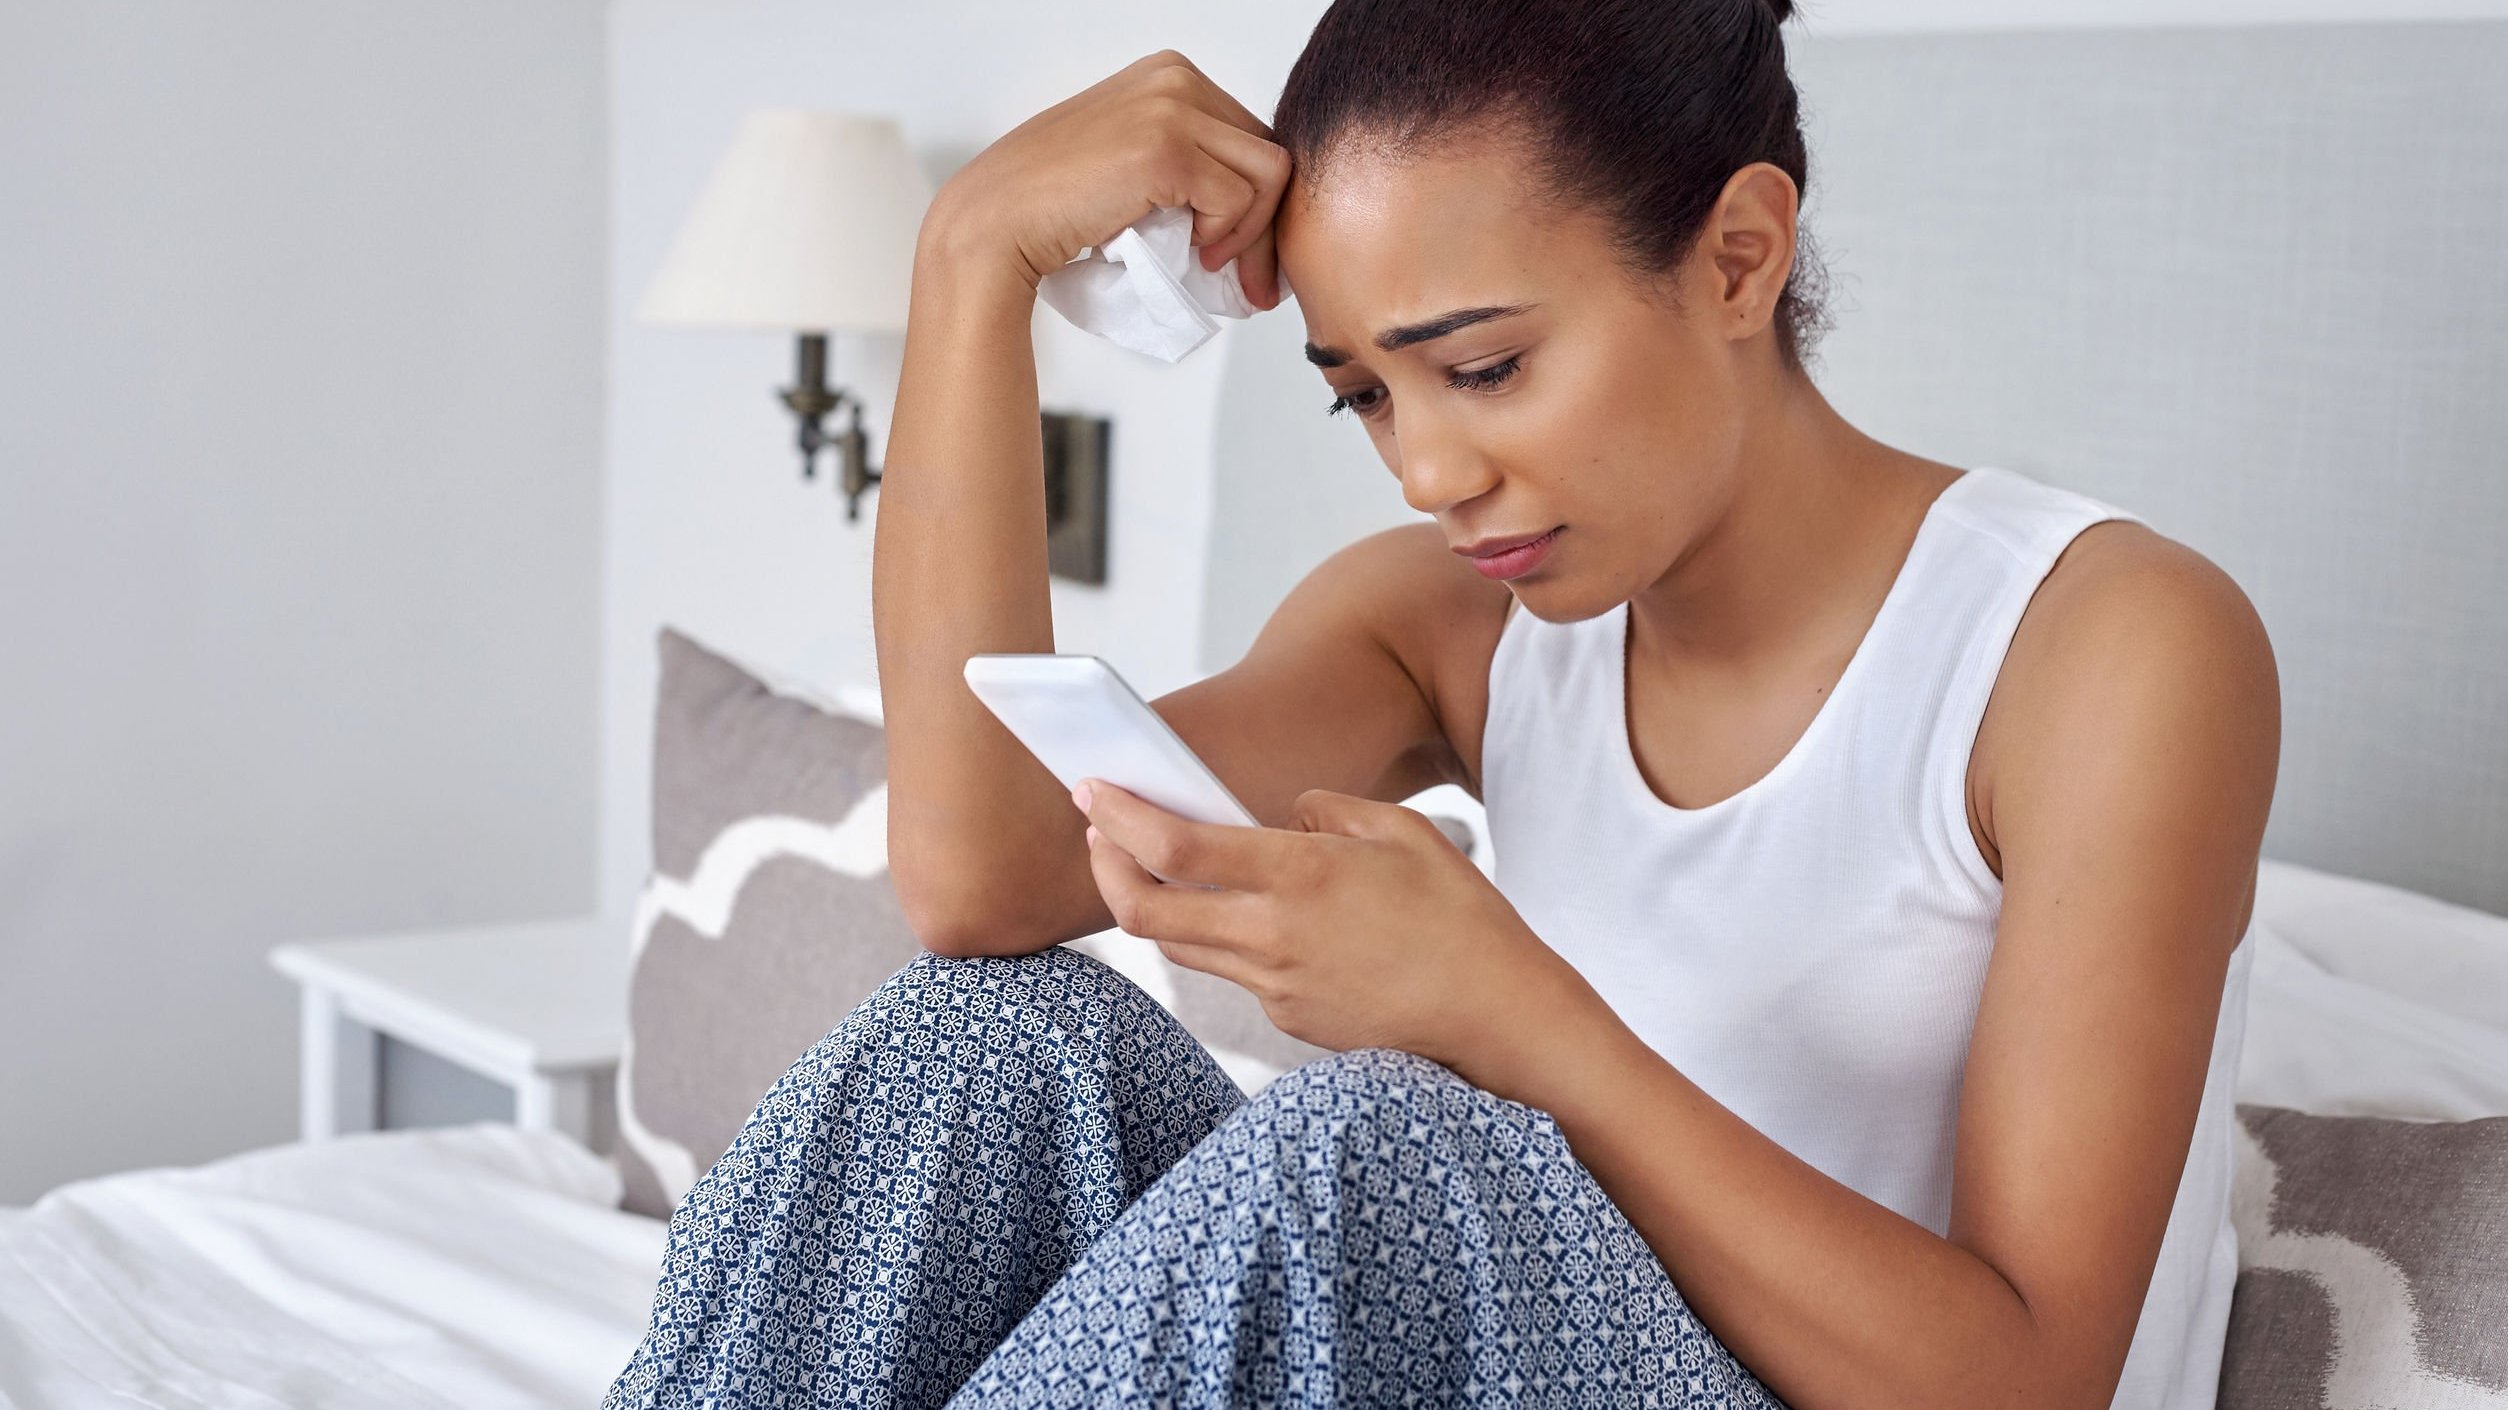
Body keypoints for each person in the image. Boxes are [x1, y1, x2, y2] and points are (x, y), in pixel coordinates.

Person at [603, 0, 2281, 1405]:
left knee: (1376, 1152)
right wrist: (970, 261)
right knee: (979, 1044)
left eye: (1482, 367)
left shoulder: (2104, 646)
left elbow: (2031, 1376)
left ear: (1740, 257)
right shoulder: (1456, 629)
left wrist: (1504, 1010)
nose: (1430, 468)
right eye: (1364, 397)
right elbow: (979, 884)